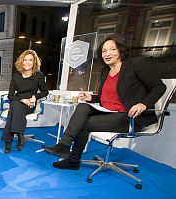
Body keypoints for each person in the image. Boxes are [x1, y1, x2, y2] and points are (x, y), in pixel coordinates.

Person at [43, 35, 166, 170]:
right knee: (83, 106)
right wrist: (92, 98)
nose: (107, 54)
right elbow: (107, 97)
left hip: (130, 116)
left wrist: (143, 104)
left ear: (120, 50)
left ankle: (71, 157)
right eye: (104, 51)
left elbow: (159, 87)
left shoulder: (135, 65)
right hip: (108, 113)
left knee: (83, 124)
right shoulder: (105, 70)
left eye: (112, 49)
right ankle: (65, 146)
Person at [1, 50, 48, 153]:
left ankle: (8, 141)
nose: (27, 62)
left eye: (30, 60)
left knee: (14, 108)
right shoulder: (16, 76)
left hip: (30, 104)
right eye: (25, 60)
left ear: (34, 62)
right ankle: (20, 135)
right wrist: (22, 99)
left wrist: (35, 97)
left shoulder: (38, 75)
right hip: (18, 101)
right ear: (21, 62)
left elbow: (45, 92)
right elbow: (10, 96)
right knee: (15, 105)